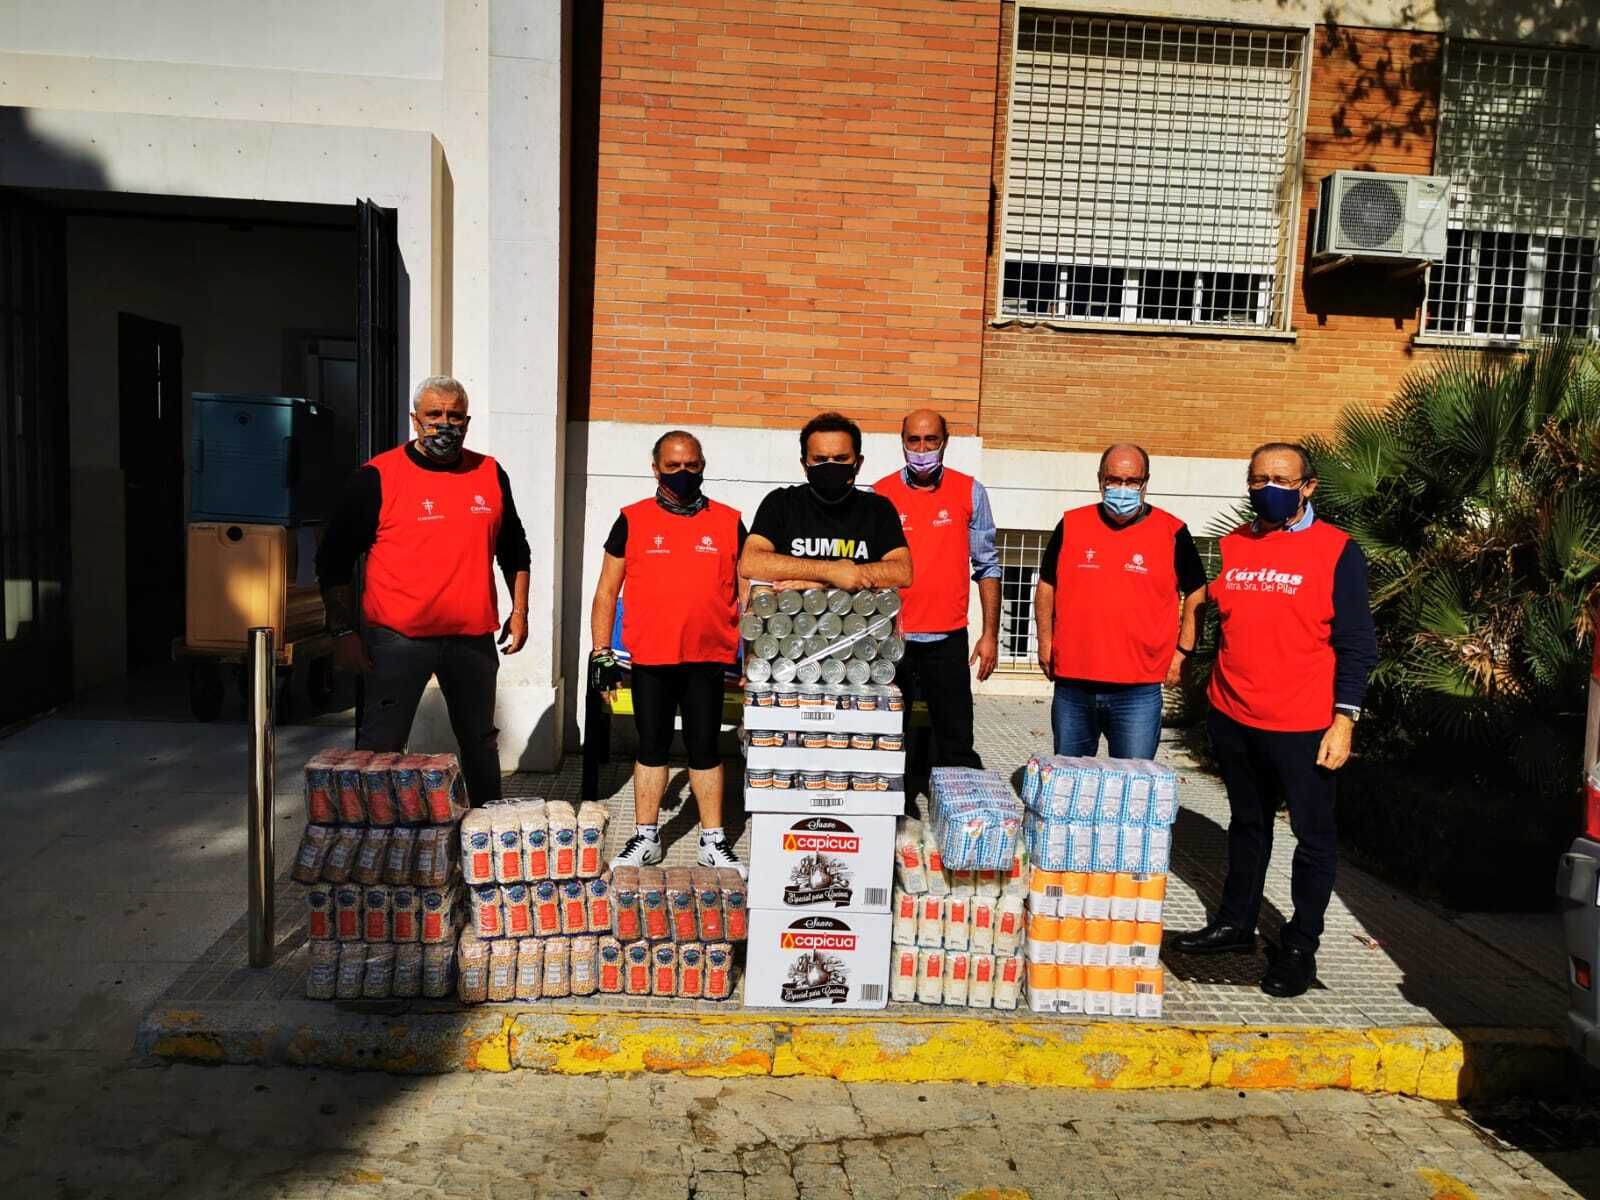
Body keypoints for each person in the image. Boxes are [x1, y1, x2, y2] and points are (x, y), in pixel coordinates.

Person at [1173, 443, 1378, 999]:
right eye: (1259, 477)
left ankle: (1299, 946)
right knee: (1247, 825)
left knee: (1313, 838)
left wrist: (1345, 719)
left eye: (1283, 479)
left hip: (1305, 724)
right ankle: (1236, 924)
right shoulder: (1235, 543)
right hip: (1234, 716)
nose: (1270, 487)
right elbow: (1221, 611)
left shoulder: (1338, 551)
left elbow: (1358, 643)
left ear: (1308, 486)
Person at [316, 375, 530, 807]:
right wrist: (342, 634)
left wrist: (520, 611)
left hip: (472, 639)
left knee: (480, 742)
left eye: (454, 415)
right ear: (415, 420)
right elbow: (333, 560)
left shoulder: (489, 472)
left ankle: (485, 831)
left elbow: (515, 549)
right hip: (397, 641)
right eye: (434, 415)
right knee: (381, 746)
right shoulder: (377, 477)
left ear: (467, 420)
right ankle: (373, 841)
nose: (444, 424)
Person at [590, 430, 747, 876]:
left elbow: (748, 593)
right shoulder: (632, 519)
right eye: (673, 466)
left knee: (705, 750)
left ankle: (712, 841)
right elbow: (605, 593)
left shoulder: (729, 521)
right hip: (651, 659)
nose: (683, 474)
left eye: (692, 465)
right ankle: (646, 836)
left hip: (708, 658)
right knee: (652, 748)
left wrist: (752, 658)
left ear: (703, 466)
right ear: (655, 466)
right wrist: (602, 658)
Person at [1032, 444, 1208, 760]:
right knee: (1071, 783)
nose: (1122, 489)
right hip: (1074, 684)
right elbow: (1047, 584)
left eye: (1132, 481)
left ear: (1146, 482)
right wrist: (1045, 641)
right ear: (1100, 480)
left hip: (1137, 690)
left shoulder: (1172, 531)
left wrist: (1183, 653)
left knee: (1133, 785)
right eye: (1114, 480)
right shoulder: (1072, 524)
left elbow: (1197, 590)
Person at [872, 409, 1001, 791]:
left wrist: (989, 634)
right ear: (903, 443)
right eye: (914, 440)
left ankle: (961, 818)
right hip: (892, 639)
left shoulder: (969, 491)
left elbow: (988, 565)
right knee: (886, 737)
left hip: (947, 639)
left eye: (931, 440)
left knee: (956, 740)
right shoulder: (879, 495)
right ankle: (887, 816)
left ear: (945, 442)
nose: (923, 449)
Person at [739, 411, 912, 593]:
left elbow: (902, 571)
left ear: (858, 463)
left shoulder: (878, 508)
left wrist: (825, 583)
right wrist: (831, 572)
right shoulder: (781, 503)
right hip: (792, 619)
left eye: (841, 459)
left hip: (860, 619)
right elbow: (751, 562)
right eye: (820, 460)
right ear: (804, 464)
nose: (830, 466)